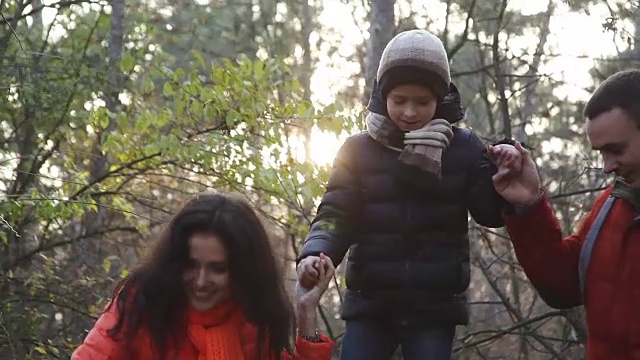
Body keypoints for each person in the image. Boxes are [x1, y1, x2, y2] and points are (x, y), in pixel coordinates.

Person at [296, 29, 521, 360]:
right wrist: (316, 251)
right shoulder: (358, 150)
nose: (411, 112)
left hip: (434, 308)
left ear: (440, 98)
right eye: (400, 100)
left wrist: (506, 175)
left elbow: (489, 214)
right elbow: (335, 214)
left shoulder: (463, 148)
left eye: (423, 101)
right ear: (383, 94)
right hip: (371, 304)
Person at [72, 193, 335, 360]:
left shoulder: (254, 318)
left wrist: (306, 310)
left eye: (217, 269)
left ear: (243, 270)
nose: (200, 281)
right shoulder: (141, 302)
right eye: (190, 265)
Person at [489, 68, 640, 359]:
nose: (608, 166)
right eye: (601, 153)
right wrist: (529, 204)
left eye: (616, 150)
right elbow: (563, 286)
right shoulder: (612, 205)